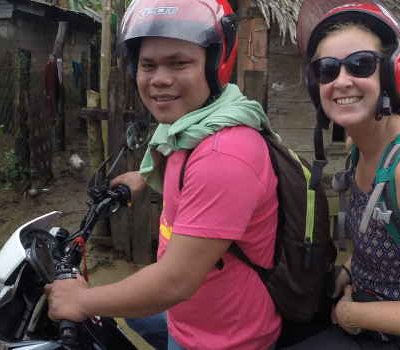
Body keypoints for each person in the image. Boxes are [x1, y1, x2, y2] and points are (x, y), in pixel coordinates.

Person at [44, 0, 282, 349]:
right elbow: (169, 145)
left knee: (118, 303)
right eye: (148, 65)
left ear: (215, 65)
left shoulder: (223, 156)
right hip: (200, 308)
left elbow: (174, 283)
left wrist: (79, 301)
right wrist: (141, 178)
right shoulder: (199, 121)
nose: (159, 80)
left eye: (179, 63)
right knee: (135, 312)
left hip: (223, 337)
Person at [287, 1, 400, 348]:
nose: (341, 81)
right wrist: (347, 271)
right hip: (367, 303)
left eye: (361, 65)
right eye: (327, 70)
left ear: (391, 73)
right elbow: (386, 237)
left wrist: (350, 315)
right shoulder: (360, 149)